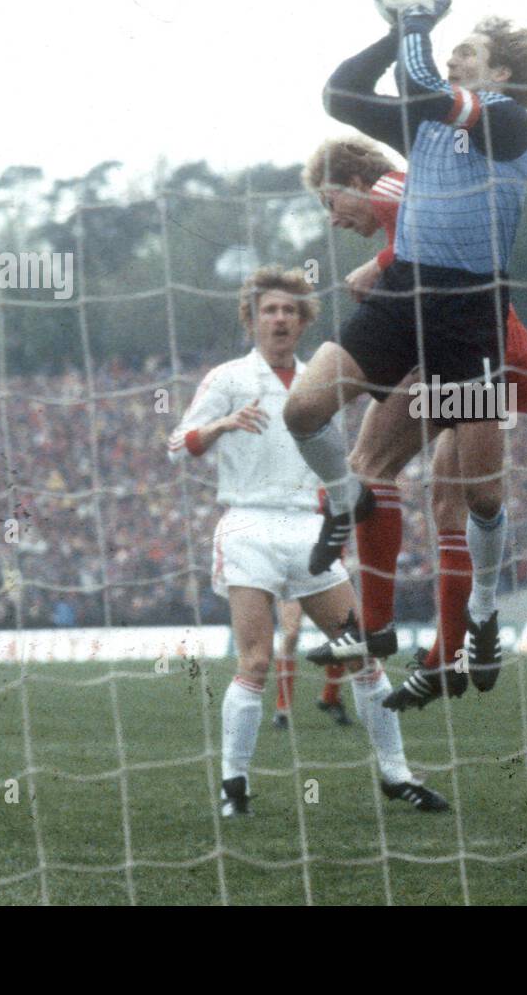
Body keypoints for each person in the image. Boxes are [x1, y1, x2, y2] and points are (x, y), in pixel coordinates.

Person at [284, 0, 527, 700]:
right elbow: (340, 93)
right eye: (451, 42)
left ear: (500, 72)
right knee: (305, 411)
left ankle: (483, 616)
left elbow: (427, 88)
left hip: (473, 321)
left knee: (478, 496)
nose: (454, 50)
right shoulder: (425, 124)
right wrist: (391, 33)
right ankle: (353, 533)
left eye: (469, 48)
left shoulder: (506, 120)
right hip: (407, 301)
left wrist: (414, 24)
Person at [168, 266, 447, 816]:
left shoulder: (322, 378)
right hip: (248, 527)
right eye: (269, 309)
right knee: (254, 661)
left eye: (290, 311)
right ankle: (235, 785)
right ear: (251, 318)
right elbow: (179, 443)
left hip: (312, 531)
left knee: (364, 656)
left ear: (303, 321)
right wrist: (222, 425)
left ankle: (396, 774)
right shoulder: (227, 378)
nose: (280, 318)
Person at [300, 134, 527, 708]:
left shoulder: (389, 183)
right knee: (457, 505)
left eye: (331, 204)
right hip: (501, 350)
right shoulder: (412, 207)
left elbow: (417, 204)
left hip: (468, 350)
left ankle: (374, 627)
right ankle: (450, 654)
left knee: (368, 466)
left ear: (354, 180)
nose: (333, 220)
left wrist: (380, 262)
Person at [271, 599, 351, 729]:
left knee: (340, 634)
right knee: (291, 634)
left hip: (321, 580)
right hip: (291, 581)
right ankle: (282, 708)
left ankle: (330, 697)